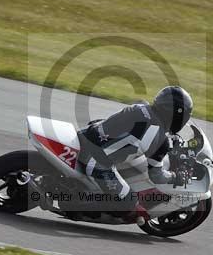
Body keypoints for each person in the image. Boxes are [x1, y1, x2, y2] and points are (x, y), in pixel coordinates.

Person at [77, 86, 193, 220]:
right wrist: (175, 176)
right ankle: (78, 208)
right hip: (97, 161)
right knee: (129, 204)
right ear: (177, 115)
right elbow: (157, 176)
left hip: (85, 135)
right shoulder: (161, 141)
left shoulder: (141, 106)